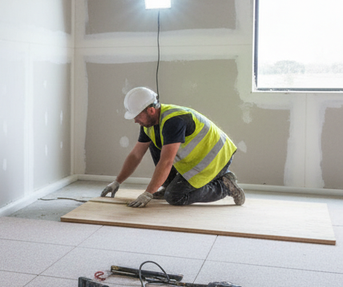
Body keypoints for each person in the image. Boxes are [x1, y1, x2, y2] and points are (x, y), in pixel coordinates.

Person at [101, 87, 245, 208]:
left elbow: (166, 161)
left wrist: (148, 193)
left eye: (137, 115)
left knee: (175, 197)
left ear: (151, 110)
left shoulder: (174, 121)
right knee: (155, 143)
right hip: (196, 158)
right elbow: (136, 155)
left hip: (216, 158)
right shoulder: (149, 125)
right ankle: (169, 185)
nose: (135, 120)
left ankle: (225, 186)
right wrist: (117, 182)